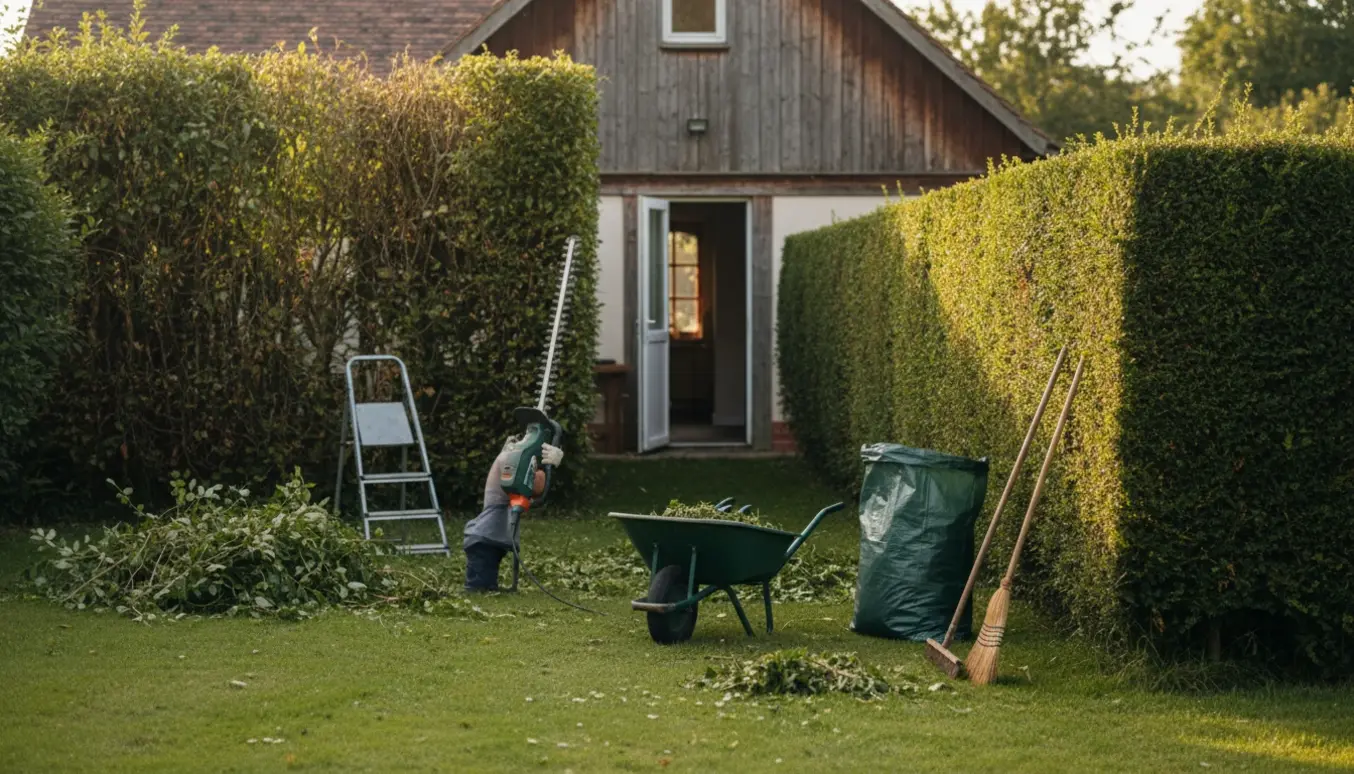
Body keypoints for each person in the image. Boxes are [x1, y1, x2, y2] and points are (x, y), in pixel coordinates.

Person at [462, 436, 564, 592]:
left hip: (492, 537)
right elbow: (536, 487)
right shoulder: (510, 459)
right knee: (478, 589)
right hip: (484, 538)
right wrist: (547, 467)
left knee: (488, 586)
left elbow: (534, 493)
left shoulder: (513, 458)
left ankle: (488, 588)